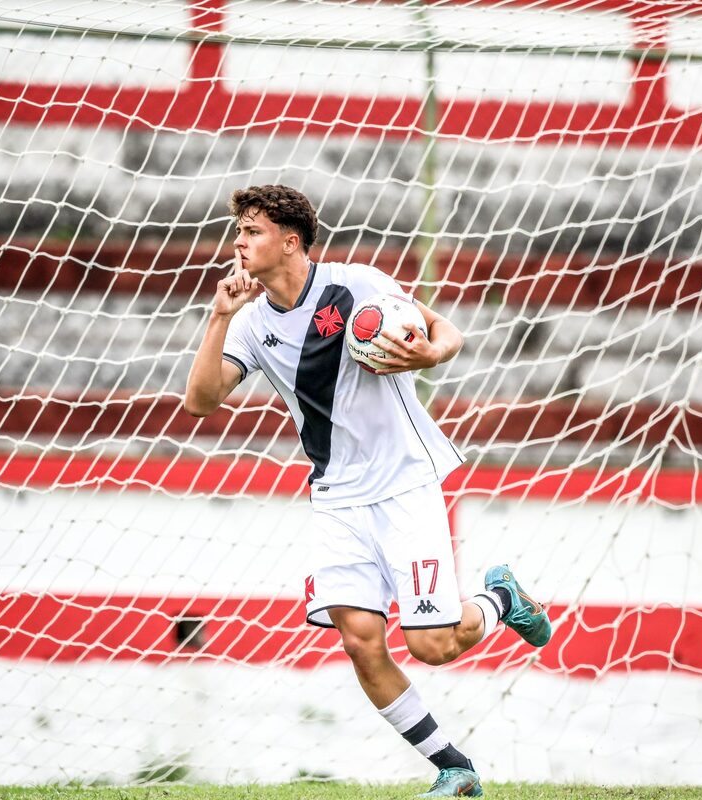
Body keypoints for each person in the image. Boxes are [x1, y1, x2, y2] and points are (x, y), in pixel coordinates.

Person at [184, 185, 551, 797]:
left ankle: (497, 600)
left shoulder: (356, 286)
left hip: (405, 484)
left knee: (432, 644)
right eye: (239, 232)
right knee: (360, 642)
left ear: (290, 241)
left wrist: (428, 353)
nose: (238, 243)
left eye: (251, 232)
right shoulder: (248, 324)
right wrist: (219, 316)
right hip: (336, 496)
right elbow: (199, 401)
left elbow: (443, 330)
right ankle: (453, 767)